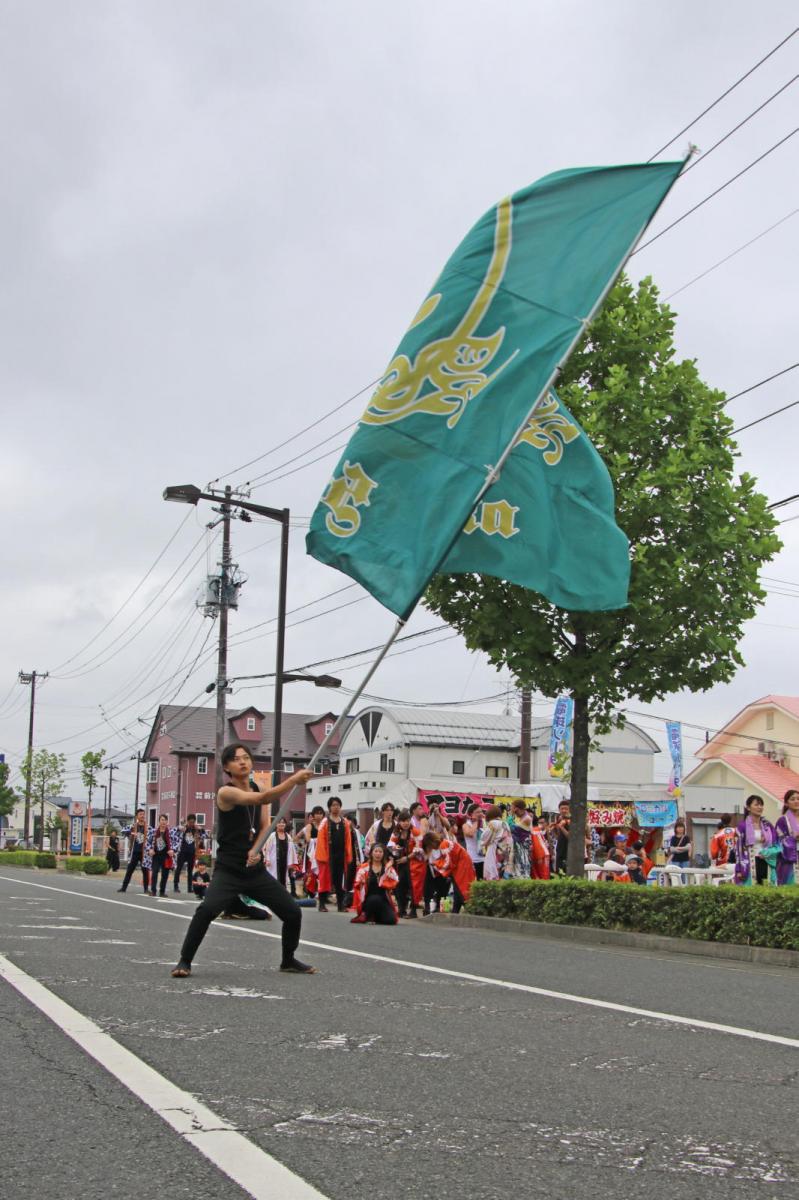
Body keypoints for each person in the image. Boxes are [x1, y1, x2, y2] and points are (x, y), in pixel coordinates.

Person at [170, 744, 315, 978]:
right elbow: (262, 798)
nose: (243, 762)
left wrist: (256, 849)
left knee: (292, 912)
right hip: (229, 870)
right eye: (236, 759)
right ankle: (184, 961)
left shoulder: (259, 785)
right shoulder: (225, 793)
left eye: (246, 757)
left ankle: (288, 960)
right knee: (207, 910)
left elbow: (265, 825)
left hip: (254, 870)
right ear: (227, 767)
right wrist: (293, 780)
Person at [421, 831, 476, 914]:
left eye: (430, 846)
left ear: (432, 842)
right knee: (458, 888)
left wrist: (436, 864)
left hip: (462, 866)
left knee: (461, 888)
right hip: (461, 864)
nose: (431, 848)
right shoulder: (445, 843)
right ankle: (455, 911)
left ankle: (469, 910)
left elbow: (447, 862)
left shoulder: (443, 845)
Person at [315, 796, 354, 913]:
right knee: (324, 879)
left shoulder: (345, 822)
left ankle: (341, 905)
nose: (336, 807)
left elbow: (348, 840)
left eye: (338, 805)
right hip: (327, 856)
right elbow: (321, 840)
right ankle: (322, 904)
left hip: (341, 855)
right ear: (329, 807)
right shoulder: (325, 822)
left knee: (339, 880)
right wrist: (323, 856)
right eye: (333, 805)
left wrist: (348, 855)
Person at [350, 844, 399, 924]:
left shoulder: (387, 867)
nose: (378, 854)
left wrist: (388, 870)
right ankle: (367, 914)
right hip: (368, 899)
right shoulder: (364, 868)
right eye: (376, 851)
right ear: (371, 853)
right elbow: (357, 883)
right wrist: (361, 882)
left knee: (391, 920)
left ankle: (374, 916)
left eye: (380, 852)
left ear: (383, 854)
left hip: (383, 899)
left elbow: (395, 881)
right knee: (374, 899)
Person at [735, 795, 777, 886]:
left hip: (767, 860)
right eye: (756, 805)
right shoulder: (742, 826)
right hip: (749, 862)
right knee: (751, 889)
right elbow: (738, 849)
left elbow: (776, 844)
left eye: (761, 805)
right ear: (748, 808)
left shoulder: (768, 825)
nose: (760, 807)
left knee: (767, 888)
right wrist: (739, 869)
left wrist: (768, 852)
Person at [388, 809, 417, 917]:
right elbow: (390, 845)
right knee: (399, 886)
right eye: (403, 821)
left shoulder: (415, 832)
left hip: (413, 863)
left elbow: (419, 849)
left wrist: (407, 858)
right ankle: (401, 909)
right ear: (399, 821)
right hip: (400, 863)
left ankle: (413, 910)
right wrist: (395, 848)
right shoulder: (396, 832)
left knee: (413, 886)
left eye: (407, 820)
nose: (405, 823)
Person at [117, 808, 149, 893]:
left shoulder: (148, 827)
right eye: (140, 814)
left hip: (144, 852)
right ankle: (123, 888)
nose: (142, 816)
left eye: (143, 814)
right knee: (129, 870)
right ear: (137, 816)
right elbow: (123, 831)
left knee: (145, 871)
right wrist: (131, 833)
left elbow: (151, 837)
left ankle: (146, 889)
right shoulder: (133, 826)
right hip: (134, 851)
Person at [265, 817, 299, 890]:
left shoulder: (288, 837)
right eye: (279, 822)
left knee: (284, 880)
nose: (281, 824)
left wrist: (291, 863)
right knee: (273, 879)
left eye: (283, 822)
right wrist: (267, 859)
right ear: (276, 824)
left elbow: (291, 851)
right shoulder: (272, 836)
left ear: (285, 824)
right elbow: (266, 849)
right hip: (273, 863)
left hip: (285, 862)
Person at [480, 804, 512, 880]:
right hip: (506, 851)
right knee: (503, 873)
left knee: (493, 872)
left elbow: (483, 837)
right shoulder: (505, 824)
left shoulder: (493, 823)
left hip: (495, 850)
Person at [774, 789, 799, 887]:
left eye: (798, 799)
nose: (796, 801)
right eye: (792, 799)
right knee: (790, 886)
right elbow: (777, 841)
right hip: (789, 859)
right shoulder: (782, 820)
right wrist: (793, 839)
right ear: (786, 803)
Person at [300, 805, 324, 898]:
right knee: (311, 872)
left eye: (321, 813)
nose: (319, 815)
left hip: (322, 851)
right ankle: (310, 892)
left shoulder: (324, 826)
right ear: (313, 815)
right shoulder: (309, 826)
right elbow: (308, 839)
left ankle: (320, 891)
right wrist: (318, 840)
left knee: (322, 872)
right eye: (317, 813)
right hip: (311, 853)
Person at [173, 814, 201, 893]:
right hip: (182, 851)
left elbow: (202, 835)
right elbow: (176, 830)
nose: (192, 824)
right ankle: (176, 886)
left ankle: (189, 888)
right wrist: (182, 826)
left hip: (191, 852)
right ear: (188, 821)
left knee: (190, 871)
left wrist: (199, 829)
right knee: (179, 869)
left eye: (193, 822)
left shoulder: (195, 829)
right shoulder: (184, 828)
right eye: (190, 822)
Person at [149, 814, 173, 898]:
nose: (163, 822)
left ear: (167, 821)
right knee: (154, 872)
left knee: (165, 874)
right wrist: (150, 849)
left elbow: (176, 842)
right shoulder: (154, 831)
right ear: (159, 821)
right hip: (156, 855)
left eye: (165, 820)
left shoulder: (170, 832)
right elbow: (148, 841)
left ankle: (162, 892)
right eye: (162, 820)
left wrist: (172, 850)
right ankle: (153, 891)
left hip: (166, 856)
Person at [508, 800, 532, 878]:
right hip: (518, 848)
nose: (511, 810)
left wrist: (511, 815)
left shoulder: (527, 818)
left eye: (512, 808)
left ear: (516, 809)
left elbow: (511, 828)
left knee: (522, 872)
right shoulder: (522, 818)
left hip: (522, 849)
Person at [462, 804, 486, 880]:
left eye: (481, 812)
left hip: (484, 858)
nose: (480, 814)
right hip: (473, 859)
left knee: (484, 882)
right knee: (475, 882)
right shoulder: (466, 825)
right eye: (477, 812)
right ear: (471, 814)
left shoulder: (484, 824)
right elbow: (470, 833)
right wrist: (476, 822)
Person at [530, 814, 551, 880]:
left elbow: (549, 843)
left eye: (542, 823)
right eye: (539, 823)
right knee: (542, 875)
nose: (540, 824)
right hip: (540, 855)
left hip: (541, 855)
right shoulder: (535, 830)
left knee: (543, 875)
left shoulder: (535, 831)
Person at [554, 800, 570, 874]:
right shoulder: (559, 819)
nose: (564, 811)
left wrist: (562, 827)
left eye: (566, 809)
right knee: (559, 872)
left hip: (568, 850)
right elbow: (558, 837)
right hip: (560, 849)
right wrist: (553, 830)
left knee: (566, 872)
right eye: (562, 809)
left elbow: (570, 837)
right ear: (559, 810)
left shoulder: (571, 821)